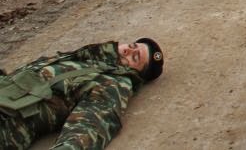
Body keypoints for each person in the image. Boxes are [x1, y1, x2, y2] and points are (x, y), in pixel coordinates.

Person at [0, 38, 164, 149]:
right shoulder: (87, 58)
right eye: (132, 46)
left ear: (136, 74)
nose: (128, 51)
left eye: (135, 58)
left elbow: (90, 125)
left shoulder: (112, 83)